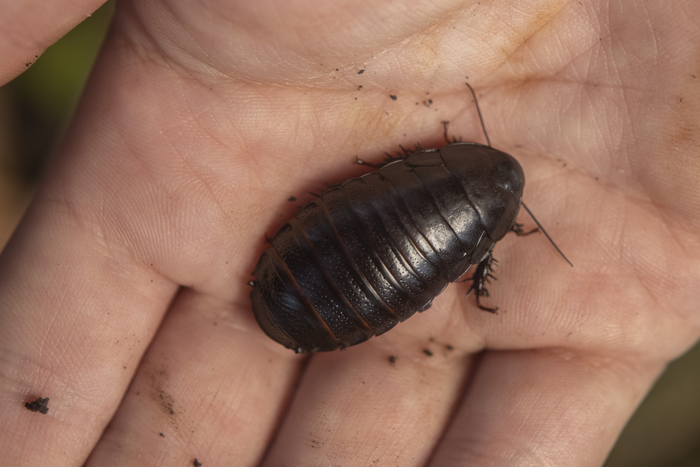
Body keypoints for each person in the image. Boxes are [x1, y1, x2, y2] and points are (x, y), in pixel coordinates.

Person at [1, 1, 699, 465]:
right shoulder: (478, 236)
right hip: (334, 288)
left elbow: (383, 182)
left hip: (329, 266)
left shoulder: (425, 171)